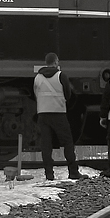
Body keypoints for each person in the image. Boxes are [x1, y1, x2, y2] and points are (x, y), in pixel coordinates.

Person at [33, 52, 83, 181]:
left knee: (46, 145)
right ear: (56, 62)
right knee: (67, 142)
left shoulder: (38, 77)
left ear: (46, 63)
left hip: (43, 114)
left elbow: (36, 93)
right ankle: (73, 172)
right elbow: (68, 94)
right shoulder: (61, 76)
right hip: (58, 113)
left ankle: (49, 174)